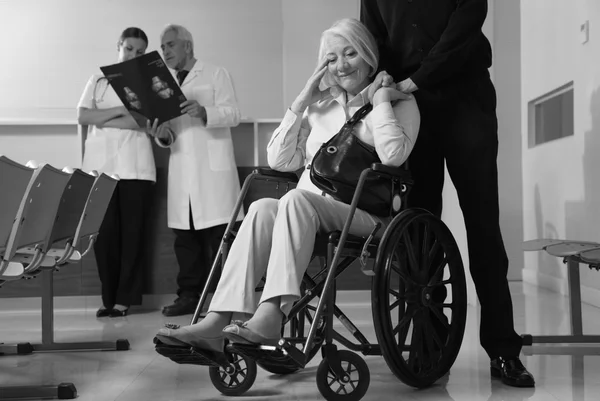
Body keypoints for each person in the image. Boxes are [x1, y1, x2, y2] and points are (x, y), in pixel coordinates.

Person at [155, 18, 419, 351]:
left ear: (369, 56)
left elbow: (394, 156)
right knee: (263, 207)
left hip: (365, 215)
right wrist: (301, 102)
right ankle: (217, 318)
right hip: (308, 211)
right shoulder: (320, 108)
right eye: (331, 58)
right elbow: (280, 161)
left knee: (295, 200)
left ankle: (269, 315)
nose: (341, 65)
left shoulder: (400, 102)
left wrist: (380, 101)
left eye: (350, 54)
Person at [360, 0, 535, 388]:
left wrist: (416, 79)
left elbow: (466, 23)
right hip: (407, 105)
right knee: (419, 232)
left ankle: (504, 351)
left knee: (483, 224)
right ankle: (429, 347)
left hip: (464, 97)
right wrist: (382, 80)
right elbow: (373, 39)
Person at [150, 24, 243, 317]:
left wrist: (204, 112)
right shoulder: (161, 85)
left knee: (218, 238)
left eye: (170, 45)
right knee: (185, 240)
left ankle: (223, 300)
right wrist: (161, 134)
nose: (165, 51)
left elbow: (233, 114)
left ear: (187, 45)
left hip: (212, 172)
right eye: (163, 47)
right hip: (182, 171)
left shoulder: (216, 73)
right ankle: (189, 297)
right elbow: (169, 135)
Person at [77, 27, 155, 318]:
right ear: (119, 46)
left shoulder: (148, 82)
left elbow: (143, 122)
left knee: (133, 237)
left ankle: (124, 300)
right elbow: (83, 115)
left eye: (140, 51)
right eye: (129, 48)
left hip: (136, 168)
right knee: (105, 237)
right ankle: (108, 299)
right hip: (102, 169)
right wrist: (120, 114)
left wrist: (104, 116)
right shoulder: (97, 79)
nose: (133, 55)